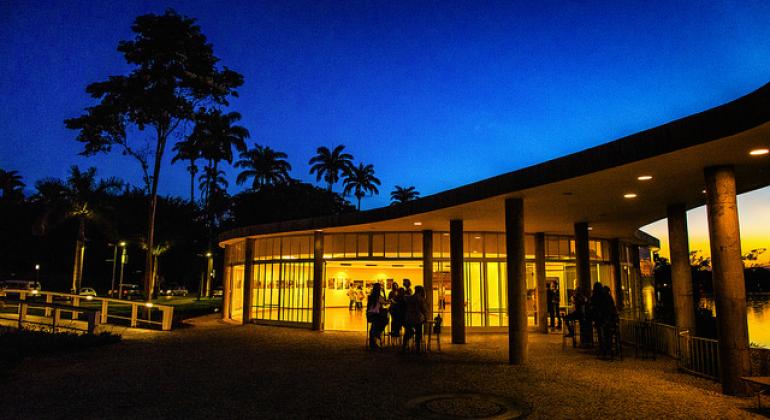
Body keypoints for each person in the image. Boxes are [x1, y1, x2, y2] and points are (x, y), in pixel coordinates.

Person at [402, 285, 429, 354]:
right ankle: (417, 349)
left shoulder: (409, 298)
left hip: (408, 318)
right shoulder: (420, 299)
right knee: (418, 333)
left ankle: (404, 347)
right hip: (417, 318)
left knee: (407, 333)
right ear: (421, 291)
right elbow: (423, 309)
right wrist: (425, 317)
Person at [366, 283, 388, 349]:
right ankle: (377, 334)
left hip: (370, 315)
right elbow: (385, 302)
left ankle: (373, 342)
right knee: (385, 320)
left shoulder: (370, 296)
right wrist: (383, 292)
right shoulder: (379, 296)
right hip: (375, 315)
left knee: (373, 327)